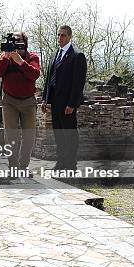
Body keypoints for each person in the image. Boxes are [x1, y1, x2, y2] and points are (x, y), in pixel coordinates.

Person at [41, 25, 87, 170]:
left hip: (67, 103)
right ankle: (61, 162)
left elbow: (78, 83)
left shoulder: (77, 56)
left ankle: (71, 164)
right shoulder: (55, 54)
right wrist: (45, 98)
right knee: (59, 134)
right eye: (58, 35)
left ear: (69, 37)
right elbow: (49, 78)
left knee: (69, 134)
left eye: (63, 35)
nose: (60, 38)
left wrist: (72, 104)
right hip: (54, 101)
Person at [0, 32, 40, 172]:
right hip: (9, 101)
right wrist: (6, 59)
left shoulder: (32, 57)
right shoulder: (5, 56)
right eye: (13, 40)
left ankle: (23, 166)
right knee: (11, 135)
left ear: (24, 43)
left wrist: (21, 62)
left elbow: (35, 74)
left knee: (29, 136)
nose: (15, 43)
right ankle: (13, 166)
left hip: (28, 101)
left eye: (18, 40)